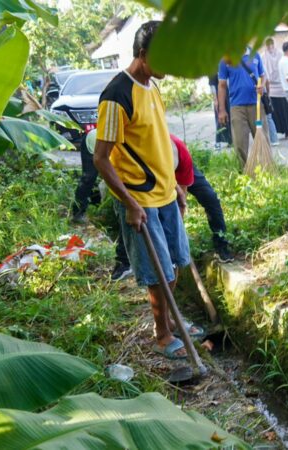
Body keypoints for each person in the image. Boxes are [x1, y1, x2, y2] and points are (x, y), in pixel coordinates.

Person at [93, 21, 192, 360]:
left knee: (175, 265)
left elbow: (156, 140)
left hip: (165, 193)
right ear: (143, 54)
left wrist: (175, 184)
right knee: (157, 273)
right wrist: (130, 204)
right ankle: (162, 334)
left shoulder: (152, 86)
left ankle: (171, 321)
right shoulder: (117, 95)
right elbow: (101, 159)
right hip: (139, 199)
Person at [111, 133, 234, 281]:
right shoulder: (145, 157)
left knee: (210, 198)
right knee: (136, 215)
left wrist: (176, 234)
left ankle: (221, 245)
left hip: (173, 170)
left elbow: (180, 202)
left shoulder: (181, 156)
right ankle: (124, 262)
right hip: (151, 176)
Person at [218, 48, 267, 171]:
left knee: (263, 139)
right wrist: (222, 110)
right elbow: (222, 85)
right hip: (237, 107)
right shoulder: (225, 58)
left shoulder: (255, 54)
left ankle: (265, 170)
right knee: (239, 144)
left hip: (256, 105)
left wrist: (262, 85)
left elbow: (263, 75)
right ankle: (244, 173)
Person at [263, 38, 288, 140]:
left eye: (271, 44)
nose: (270, 46)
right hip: (270, 87)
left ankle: (287, 131)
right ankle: (277, 132)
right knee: (274, 112)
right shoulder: (263, 56)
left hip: (281, 86)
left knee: (284, 110)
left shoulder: (280, 54)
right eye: (268, 44)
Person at [207, 73, 232, 149]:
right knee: (220, 119)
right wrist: (215, 99)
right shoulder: (213, 69)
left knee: (231, 118)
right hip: (219, 96)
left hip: (229, 95)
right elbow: (212, 85)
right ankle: (220, 142)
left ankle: (231, 140)